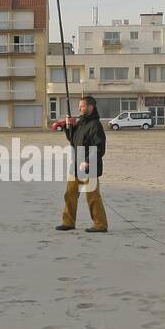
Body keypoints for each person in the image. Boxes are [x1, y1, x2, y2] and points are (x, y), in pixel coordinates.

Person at [56, 95, 108, 233]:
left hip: (88, 167)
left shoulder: (95, 125)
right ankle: (68, 222)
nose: (79, 108)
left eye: (82, 106)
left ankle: (100, 224)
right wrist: (69, 126)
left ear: (90, 107)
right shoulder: (81, 123)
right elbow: (72, 140)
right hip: (75, 165)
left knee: (92, 196)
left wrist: (88, 161)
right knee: (70, 194)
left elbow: (99, 147)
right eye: (79, 106)